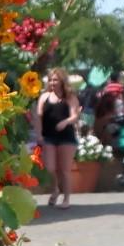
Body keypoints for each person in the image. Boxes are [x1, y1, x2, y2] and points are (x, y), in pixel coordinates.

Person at [36, 68, 82, 209]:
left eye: (55, 79)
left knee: (65, 170)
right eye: (50, 80)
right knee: (50, 168)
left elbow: (75, 116)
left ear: (62, 81)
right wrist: (39, 135)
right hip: (49, 136)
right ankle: (55, 189)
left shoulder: (70, 97)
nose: (52, 82)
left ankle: (66, 199)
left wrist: (66, 122)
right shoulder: (44, 97)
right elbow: (39, 117)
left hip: (66, 137)